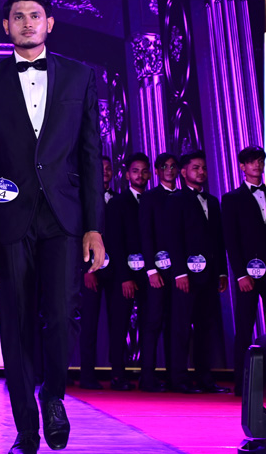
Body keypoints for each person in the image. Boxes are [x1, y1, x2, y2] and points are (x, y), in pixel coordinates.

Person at [0, 0, 105, 454]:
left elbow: (90, 156)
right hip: (9, 218)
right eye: (19, 16)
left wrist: (94, 226)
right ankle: (25, 426)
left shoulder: (80, 77)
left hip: (64, 217)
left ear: (50, 23)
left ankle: (53, 396)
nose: (28, 22)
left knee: (62, 315)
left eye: (35, 15)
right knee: (16, 321)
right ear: (6, 26)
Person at [221, 145, 266, 396]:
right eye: (252, 161)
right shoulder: (231, 199)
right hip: (247, 274)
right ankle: (242, 383)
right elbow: (231, 240)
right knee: (244, 327)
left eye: (260, 160)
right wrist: (240, 273)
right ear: (242, 166)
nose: (257, 165)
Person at [166, 150, 230, 394]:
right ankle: (178, 379)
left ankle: (205, 378)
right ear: (183, 172)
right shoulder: (176, 199)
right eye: (196, 168)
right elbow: (173, 239)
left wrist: (222, 273)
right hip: (186, 276)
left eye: (203, 168)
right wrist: (180, 273)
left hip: (210, 276)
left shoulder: (212, 201)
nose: (201, 172)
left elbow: (218, 240)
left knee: (206, 327)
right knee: (181, 327)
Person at [103, 152, 151, 391]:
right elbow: (115, 242)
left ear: (149, 174)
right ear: (127, 175)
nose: (140, 175)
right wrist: (124, 277)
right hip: (124, 275)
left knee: (150, 323)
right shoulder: (118, 203)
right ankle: (117, 374)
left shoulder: (154, 200)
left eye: (144, 171)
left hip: (151, 274)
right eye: (135, 171)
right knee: (119, 324)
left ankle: (148, 375)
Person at [137, 152, 178, 392]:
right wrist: (151, 270)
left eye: (173, 166)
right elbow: (145, 235)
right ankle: (147, 377)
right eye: (165, 166)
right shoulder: (149, 197)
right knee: (152, 322)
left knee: (176, 324)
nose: (169, 170)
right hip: (156, 272)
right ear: (157, 171)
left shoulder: (184, 197)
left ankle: (175, 377)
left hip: (180, 271)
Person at [78, 157, 113, 391]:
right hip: (90, 270)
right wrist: (86, 270)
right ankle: (86, 375)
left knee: (116, 325)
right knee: (88, 326)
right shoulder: (81, 201)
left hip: (116, 272)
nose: (105, 172)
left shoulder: (118, 200)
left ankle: (118, 374)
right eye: (101, 168)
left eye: (108, 169)